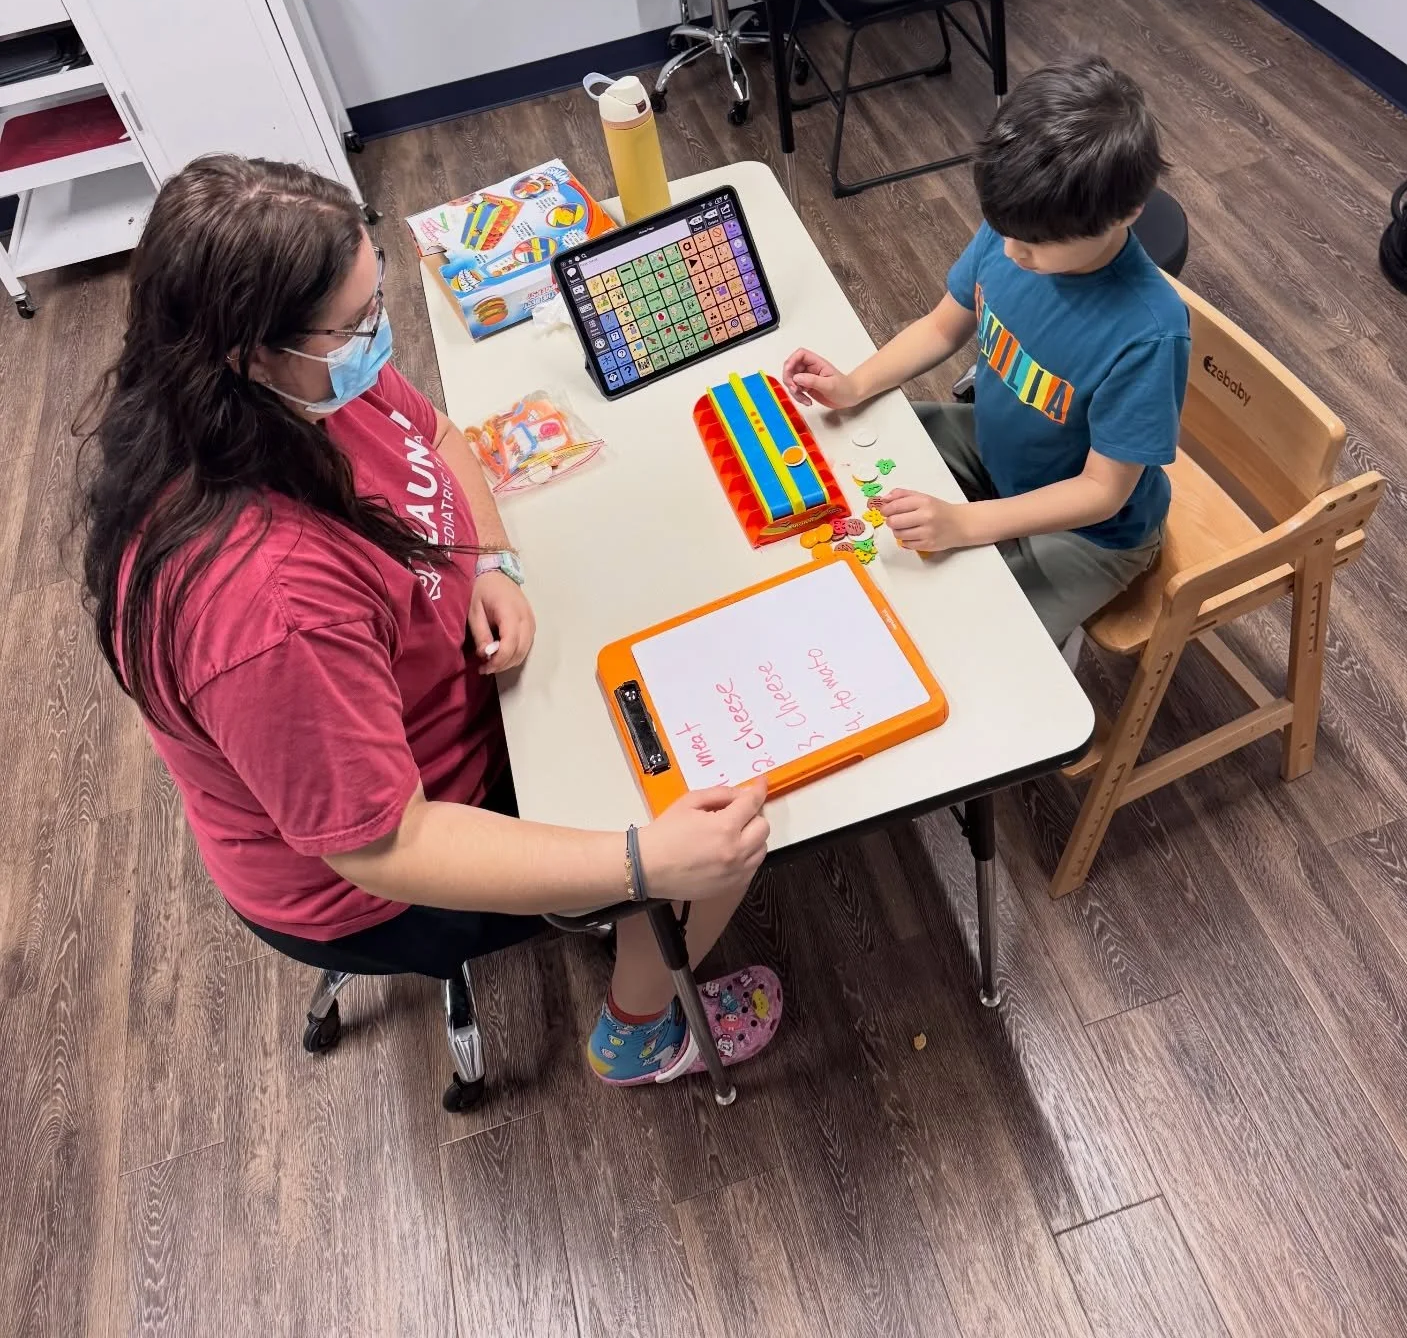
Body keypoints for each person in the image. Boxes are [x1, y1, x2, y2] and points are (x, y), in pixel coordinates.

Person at [78, 155, 781, 1087]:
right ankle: (642, 1032)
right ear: (251, 348)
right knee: (716, 825)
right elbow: (388, 847)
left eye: (376, 300)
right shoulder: (268, 607)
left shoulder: (295, 385)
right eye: (356, 321)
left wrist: (489, 560)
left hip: (463, 710)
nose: (379, 337)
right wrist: (639, 858)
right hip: (387, 869)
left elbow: (439, 436)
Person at [784, 57, 1191, 645]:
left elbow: (1103, 492)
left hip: (1092, 532)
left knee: (972, 638)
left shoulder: (1148, 334)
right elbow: (941, 328)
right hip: (1000, 451)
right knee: (844, 441)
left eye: (1036, 245)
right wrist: (853, 384)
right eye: (1006, 233)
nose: (1011, 252)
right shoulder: (1017, 231)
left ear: (1128, 212)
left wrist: (966, 523)